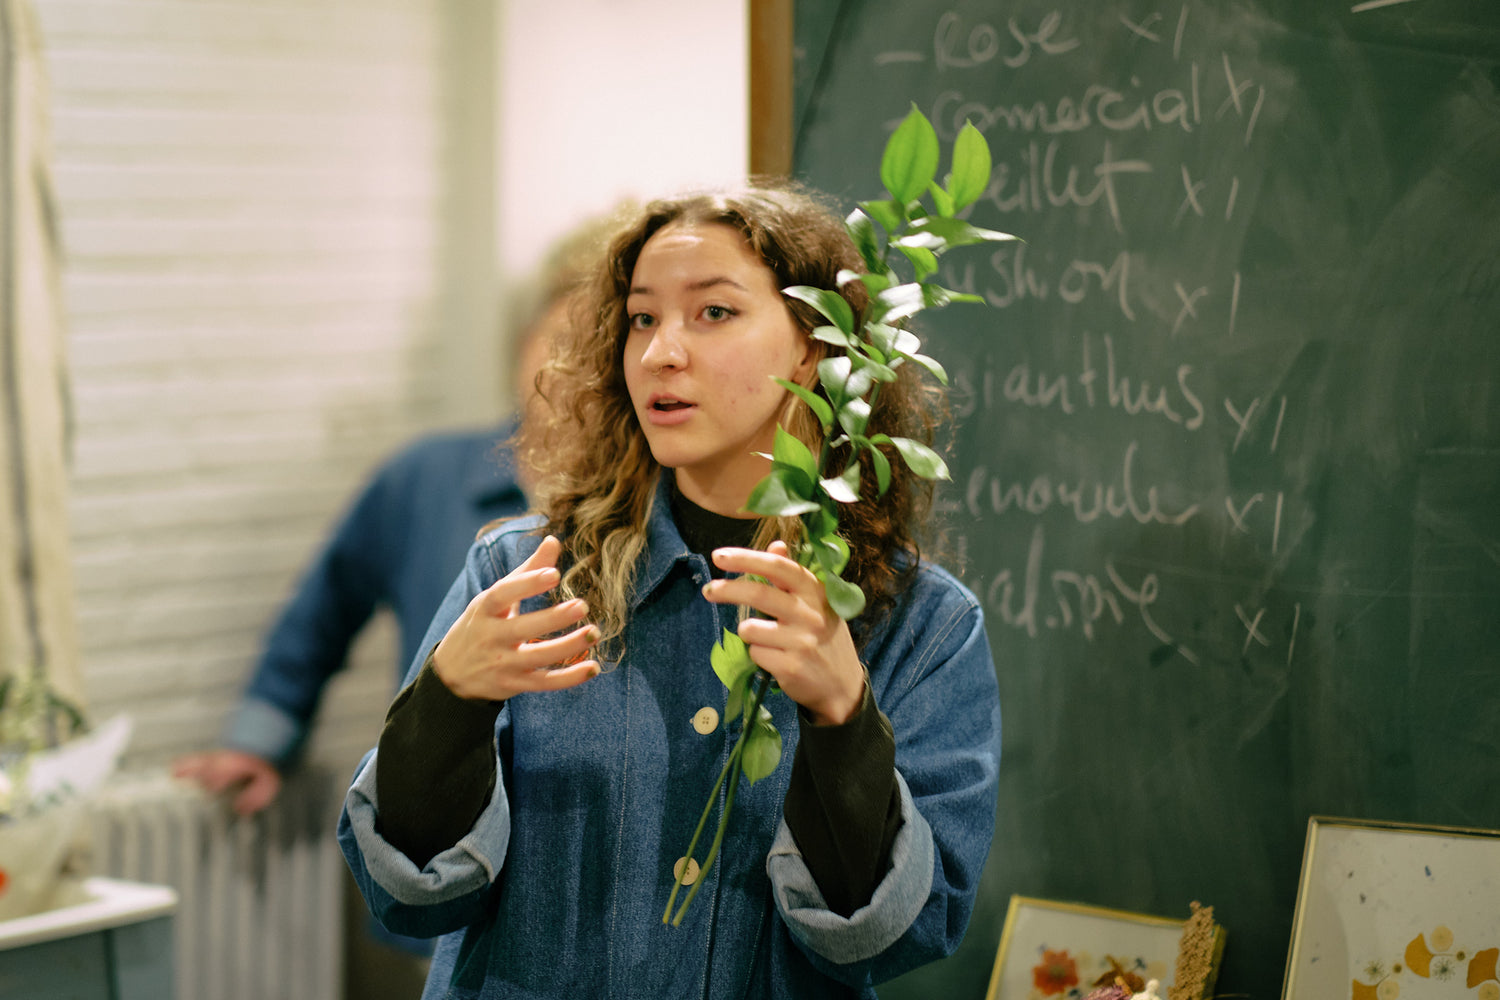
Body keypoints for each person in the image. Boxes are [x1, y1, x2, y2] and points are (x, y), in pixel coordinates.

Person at [337, 184, 1002, 999]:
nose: (660, 353)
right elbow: (408, 893)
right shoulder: (527, 576)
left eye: (713, 313)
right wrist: (448, 703)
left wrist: (840, 720)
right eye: (643, 318)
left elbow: (893, 936)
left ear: (813, 347)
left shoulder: (922, 626)